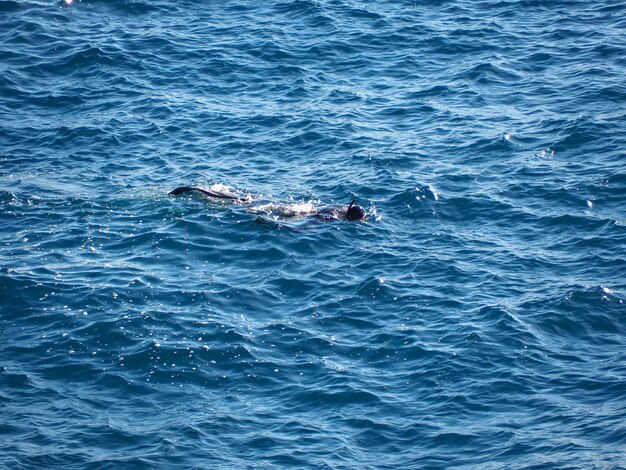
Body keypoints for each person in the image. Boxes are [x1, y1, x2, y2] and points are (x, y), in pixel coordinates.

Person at [169, 187, 366, 221]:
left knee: (240, 202)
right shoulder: (333, 217)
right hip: (299, 214)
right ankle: (195, 193)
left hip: (301, 208)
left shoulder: (339, 209)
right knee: (240, 206)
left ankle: (195, 191)